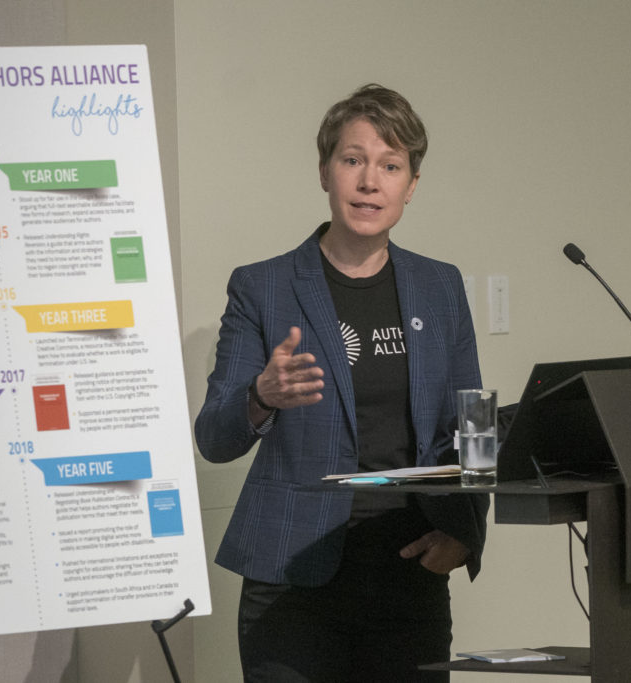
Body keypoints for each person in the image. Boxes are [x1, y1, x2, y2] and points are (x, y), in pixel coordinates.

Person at [195, 84, 488, 682]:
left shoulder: (441, 286)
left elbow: (474, 423)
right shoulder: (263, 287)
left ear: (411, 185)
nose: (369, 181)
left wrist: (466, 531)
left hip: (408, 574)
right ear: (325, 172)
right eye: (352, 160)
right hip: (293, 583)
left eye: (390, 165)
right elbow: (215, 438)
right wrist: (261, 396)